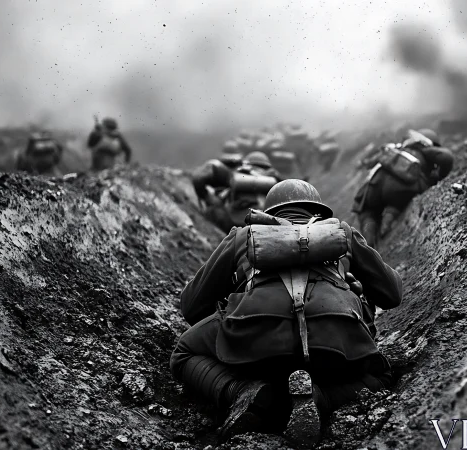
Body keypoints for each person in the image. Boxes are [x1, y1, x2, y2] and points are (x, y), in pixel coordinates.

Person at [170, 179, 403, 446]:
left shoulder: (243, 236)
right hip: (337, 345)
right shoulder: (342, 234)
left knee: (184, 352)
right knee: (383, 374)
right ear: (318, 211)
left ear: (269, 213)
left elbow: (190, 306)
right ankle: (320, 398)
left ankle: (244, 391)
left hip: (254, 345)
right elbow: (393, 294)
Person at [353, 129, 454, 246]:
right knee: (400, 197)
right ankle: (391, 213)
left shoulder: (397, 149)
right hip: (400, 189)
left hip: (374, 186)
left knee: (368, 211)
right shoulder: (422, 148)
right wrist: (436, 177)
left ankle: (368, 240)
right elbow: (447, 157)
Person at [191, 151, 282, 231]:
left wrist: (209, 198)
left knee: (212, 210)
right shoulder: (274, 179)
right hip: (264, 226)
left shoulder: (238, 174)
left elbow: (198, 178)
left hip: (234, 225)